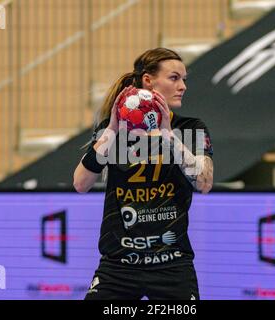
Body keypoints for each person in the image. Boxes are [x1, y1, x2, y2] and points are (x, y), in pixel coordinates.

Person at [73, 47, 213, 300]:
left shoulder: (190, 128)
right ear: (148, 80)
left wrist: (169, 135)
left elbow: (204, 182)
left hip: (172, 265)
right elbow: (81, 183)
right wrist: (113, 129)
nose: (183, 86)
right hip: (119, 265)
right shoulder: (113, 131)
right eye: (174, 78)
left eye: (184, 79)